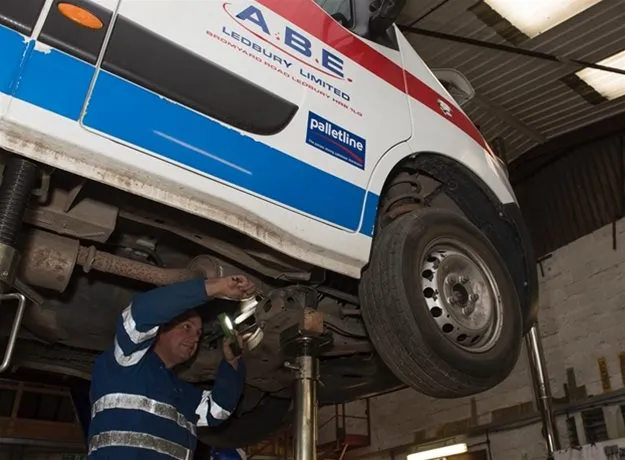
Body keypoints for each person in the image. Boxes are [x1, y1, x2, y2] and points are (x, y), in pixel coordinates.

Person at [87, 274, 257, 460]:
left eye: (199, 334)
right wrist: (213, 287)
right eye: (187, 327)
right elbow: (139, 315)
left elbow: (218, 409)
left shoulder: (182, 393)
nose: (195, 339)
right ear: (160, 328)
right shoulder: (126, 363)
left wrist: (232, 362)